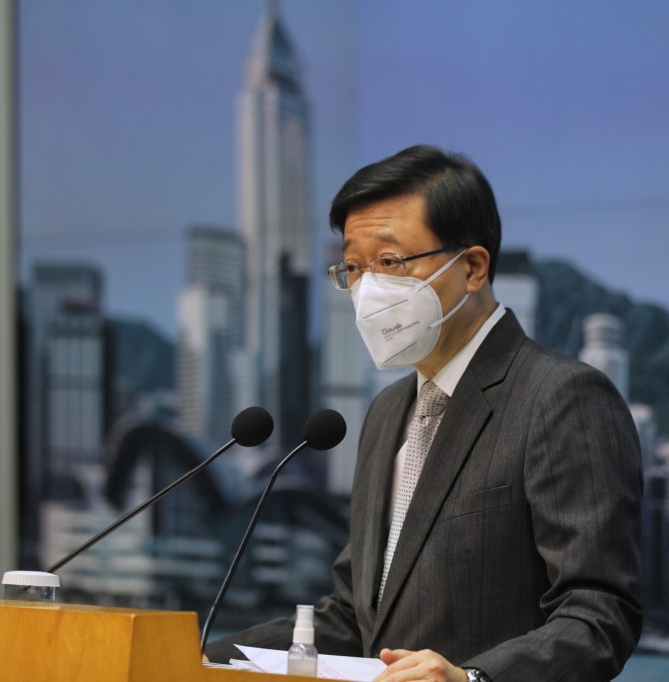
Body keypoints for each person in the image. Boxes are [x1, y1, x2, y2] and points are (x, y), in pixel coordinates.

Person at [205, 145, 643, 681]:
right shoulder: (387, 413)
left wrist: (472, 679)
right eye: (353, 268)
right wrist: (196, 655)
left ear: (473, 268)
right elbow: (353, 616)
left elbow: (599, 612)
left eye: (390, 263)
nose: (368, 291)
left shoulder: (562, 398)